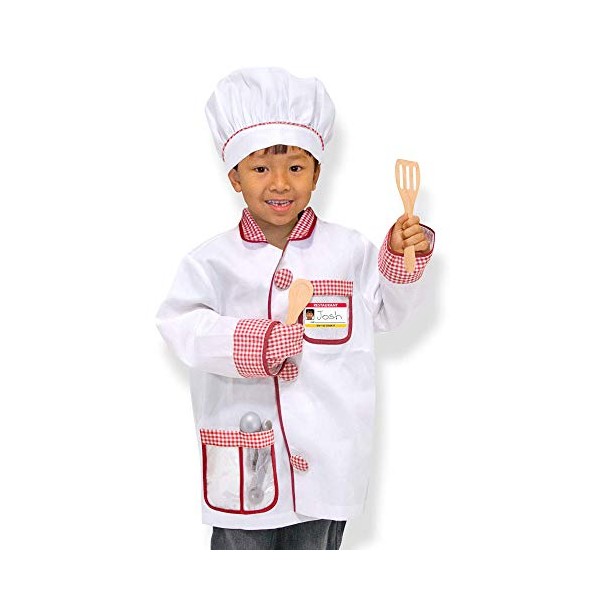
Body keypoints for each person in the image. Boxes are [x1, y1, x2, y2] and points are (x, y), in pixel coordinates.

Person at [155, 67, 435, 550]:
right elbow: (180, 325)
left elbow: (388, 312)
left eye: (296, 168)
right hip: (246, 456)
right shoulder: (211, 262)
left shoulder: (349, 252)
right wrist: (256, 342)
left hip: (328, 459)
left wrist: (401, 255)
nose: (280, 184)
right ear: (234, 177)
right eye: (261, 169)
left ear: (317, 173)